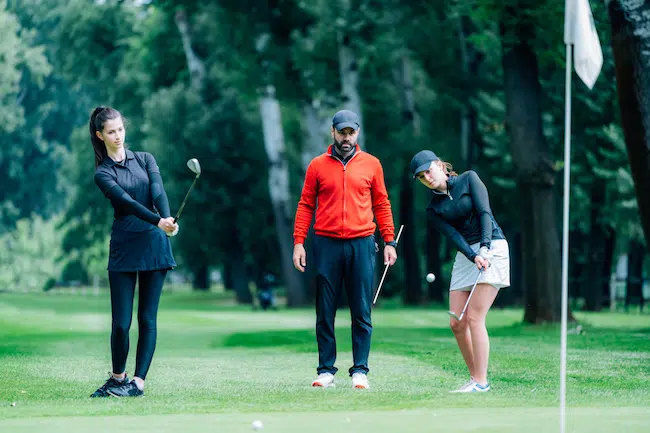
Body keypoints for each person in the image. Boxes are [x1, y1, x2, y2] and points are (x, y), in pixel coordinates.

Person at [292, 109, 398, 390]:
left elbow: (382, 203)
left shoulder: (372, 164)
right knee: (325, 310)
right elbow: (305, 205)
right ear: (333, 132)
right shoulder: (317, 165)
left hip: (362, 242)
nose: (346, 137)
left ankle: (360, 370)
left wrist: (389, 241)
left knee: (361, 310)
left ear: (358, 133)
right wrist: (299, 242)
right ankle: (326, 370)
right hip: (326, 244)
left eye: (351, 132)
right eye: (342, 132)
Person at [88, 106, 178, 398]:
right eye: (111, 132)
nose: (117, 136)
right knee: (120, 324)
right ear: (100, 135)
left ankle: (137, 383)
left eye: (120, 130)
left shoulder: (145, 159)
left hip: (154, 244)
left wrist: (167, 219)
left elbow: (158, 191)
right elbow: (125, 203)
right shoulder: (103, 173)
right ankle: (118, 378)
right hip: (125, 246)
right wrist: (158, 220)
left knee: (147, 319)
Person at [409, 150, 510, 393]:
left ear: (439, 165)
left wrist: (484, 248)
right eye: (421, 177)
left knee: (474, 317)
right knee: (457, 322)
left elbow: (485, 213)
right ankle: (474, 378)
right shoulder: (433, 209)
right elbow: (453, 235)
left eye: (428, 171)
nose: (427, 178)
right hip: (468, 254)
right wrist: (473, 255)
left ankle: (482, 382)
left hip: (493, 245)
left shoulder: (469, 179)